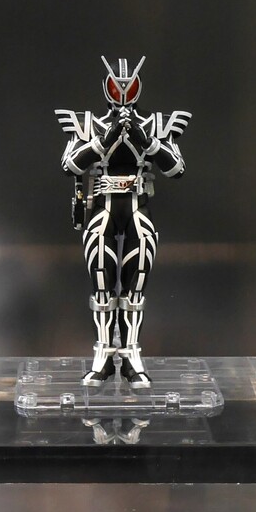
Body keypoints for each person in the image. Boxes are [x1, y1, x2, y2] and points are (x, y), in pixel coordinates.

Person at [55, 58, 190, 389]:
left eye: (129, 86)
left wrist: (148, 141)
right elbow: (70, 165)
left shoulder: (156, 124)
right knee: (102, 286)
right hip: (102, 210)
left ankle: (131, 357)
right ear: (108, 87)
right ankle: (103, 357)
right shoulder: (88, 124)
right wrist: (104, 140)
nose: (123, 92)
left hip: (137, 210)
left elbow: (176, 169)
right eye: (117, 87)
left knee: (135, 286)